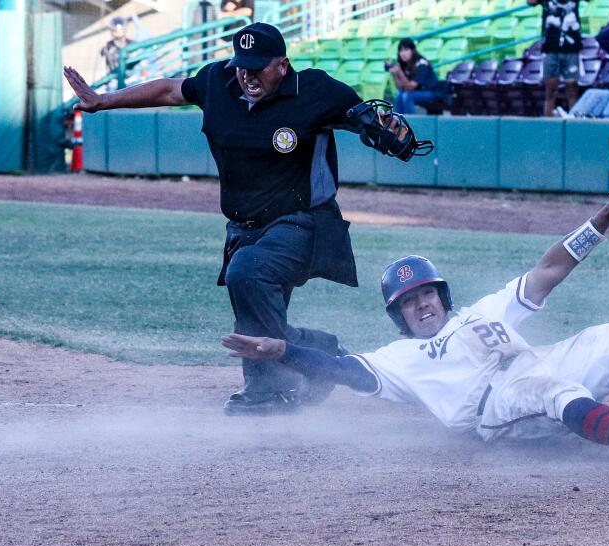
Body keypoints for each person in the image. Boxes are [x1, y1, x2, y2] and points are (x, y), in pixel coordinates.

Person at [222, 165, 609, 464]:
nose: (421, 303)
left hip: (537, 362)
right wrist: (285, 351)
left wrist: (601, 221)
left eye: (426, 294)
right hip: (493, 410)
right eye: (408, 302)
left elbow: (551, 268)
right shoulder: (398, 359)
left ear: (441, 296)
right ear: (398, 317)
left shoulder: (481, 311)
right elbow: (344, 370)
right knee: (550, 389)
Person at [64, 23, 427, 416]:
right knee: (254, 306)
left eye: (258, 67)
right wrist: (103, 100)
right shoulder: (218, 82)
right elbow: (170, 89)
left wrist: (383, 132)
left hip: (304, 223)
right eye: (242, 66)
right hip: (243, 228)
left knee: (247, 274)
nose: (247, 75)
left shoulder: (317, 90)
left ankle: (267, 390)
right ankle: (315, 351)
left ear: (283, 65)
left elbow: (360, 118)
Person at [528, 0, 585, 117]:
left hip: (571, 49)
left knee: (573, 90)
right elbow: (530, 2)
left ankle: (574, 123)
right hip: (550, 48)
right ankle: (548, 124)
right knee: (550, 91)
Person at [388, 38, 446, 115]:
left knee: (407, 96)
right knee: (400, 94)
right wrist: (394, 74)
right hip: (418, 91)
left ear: (413, 51)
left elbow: (410, 87)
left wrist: (400, 72)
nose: (403, 53)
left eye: (406, 50)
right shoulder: (405, 64)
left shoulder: (422, 63)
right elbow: (401, 87)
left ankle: (410, 123)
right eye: (401, 50)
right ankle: (397, 123)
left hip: (431, 91)